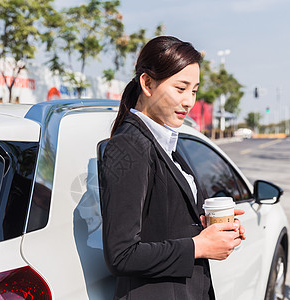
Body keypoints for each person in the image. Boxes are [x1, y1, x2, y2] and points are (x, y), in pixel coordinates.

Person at [99, 36, 246, 300]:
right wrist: (198, 247)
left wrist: (211, 229)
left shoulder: (164, 142)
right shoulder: (129, 146)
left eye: (194, 90)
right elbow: (121, 255)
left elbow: (164, 223)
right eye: (181, 88)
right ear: (147, 83)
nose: (190, 101)